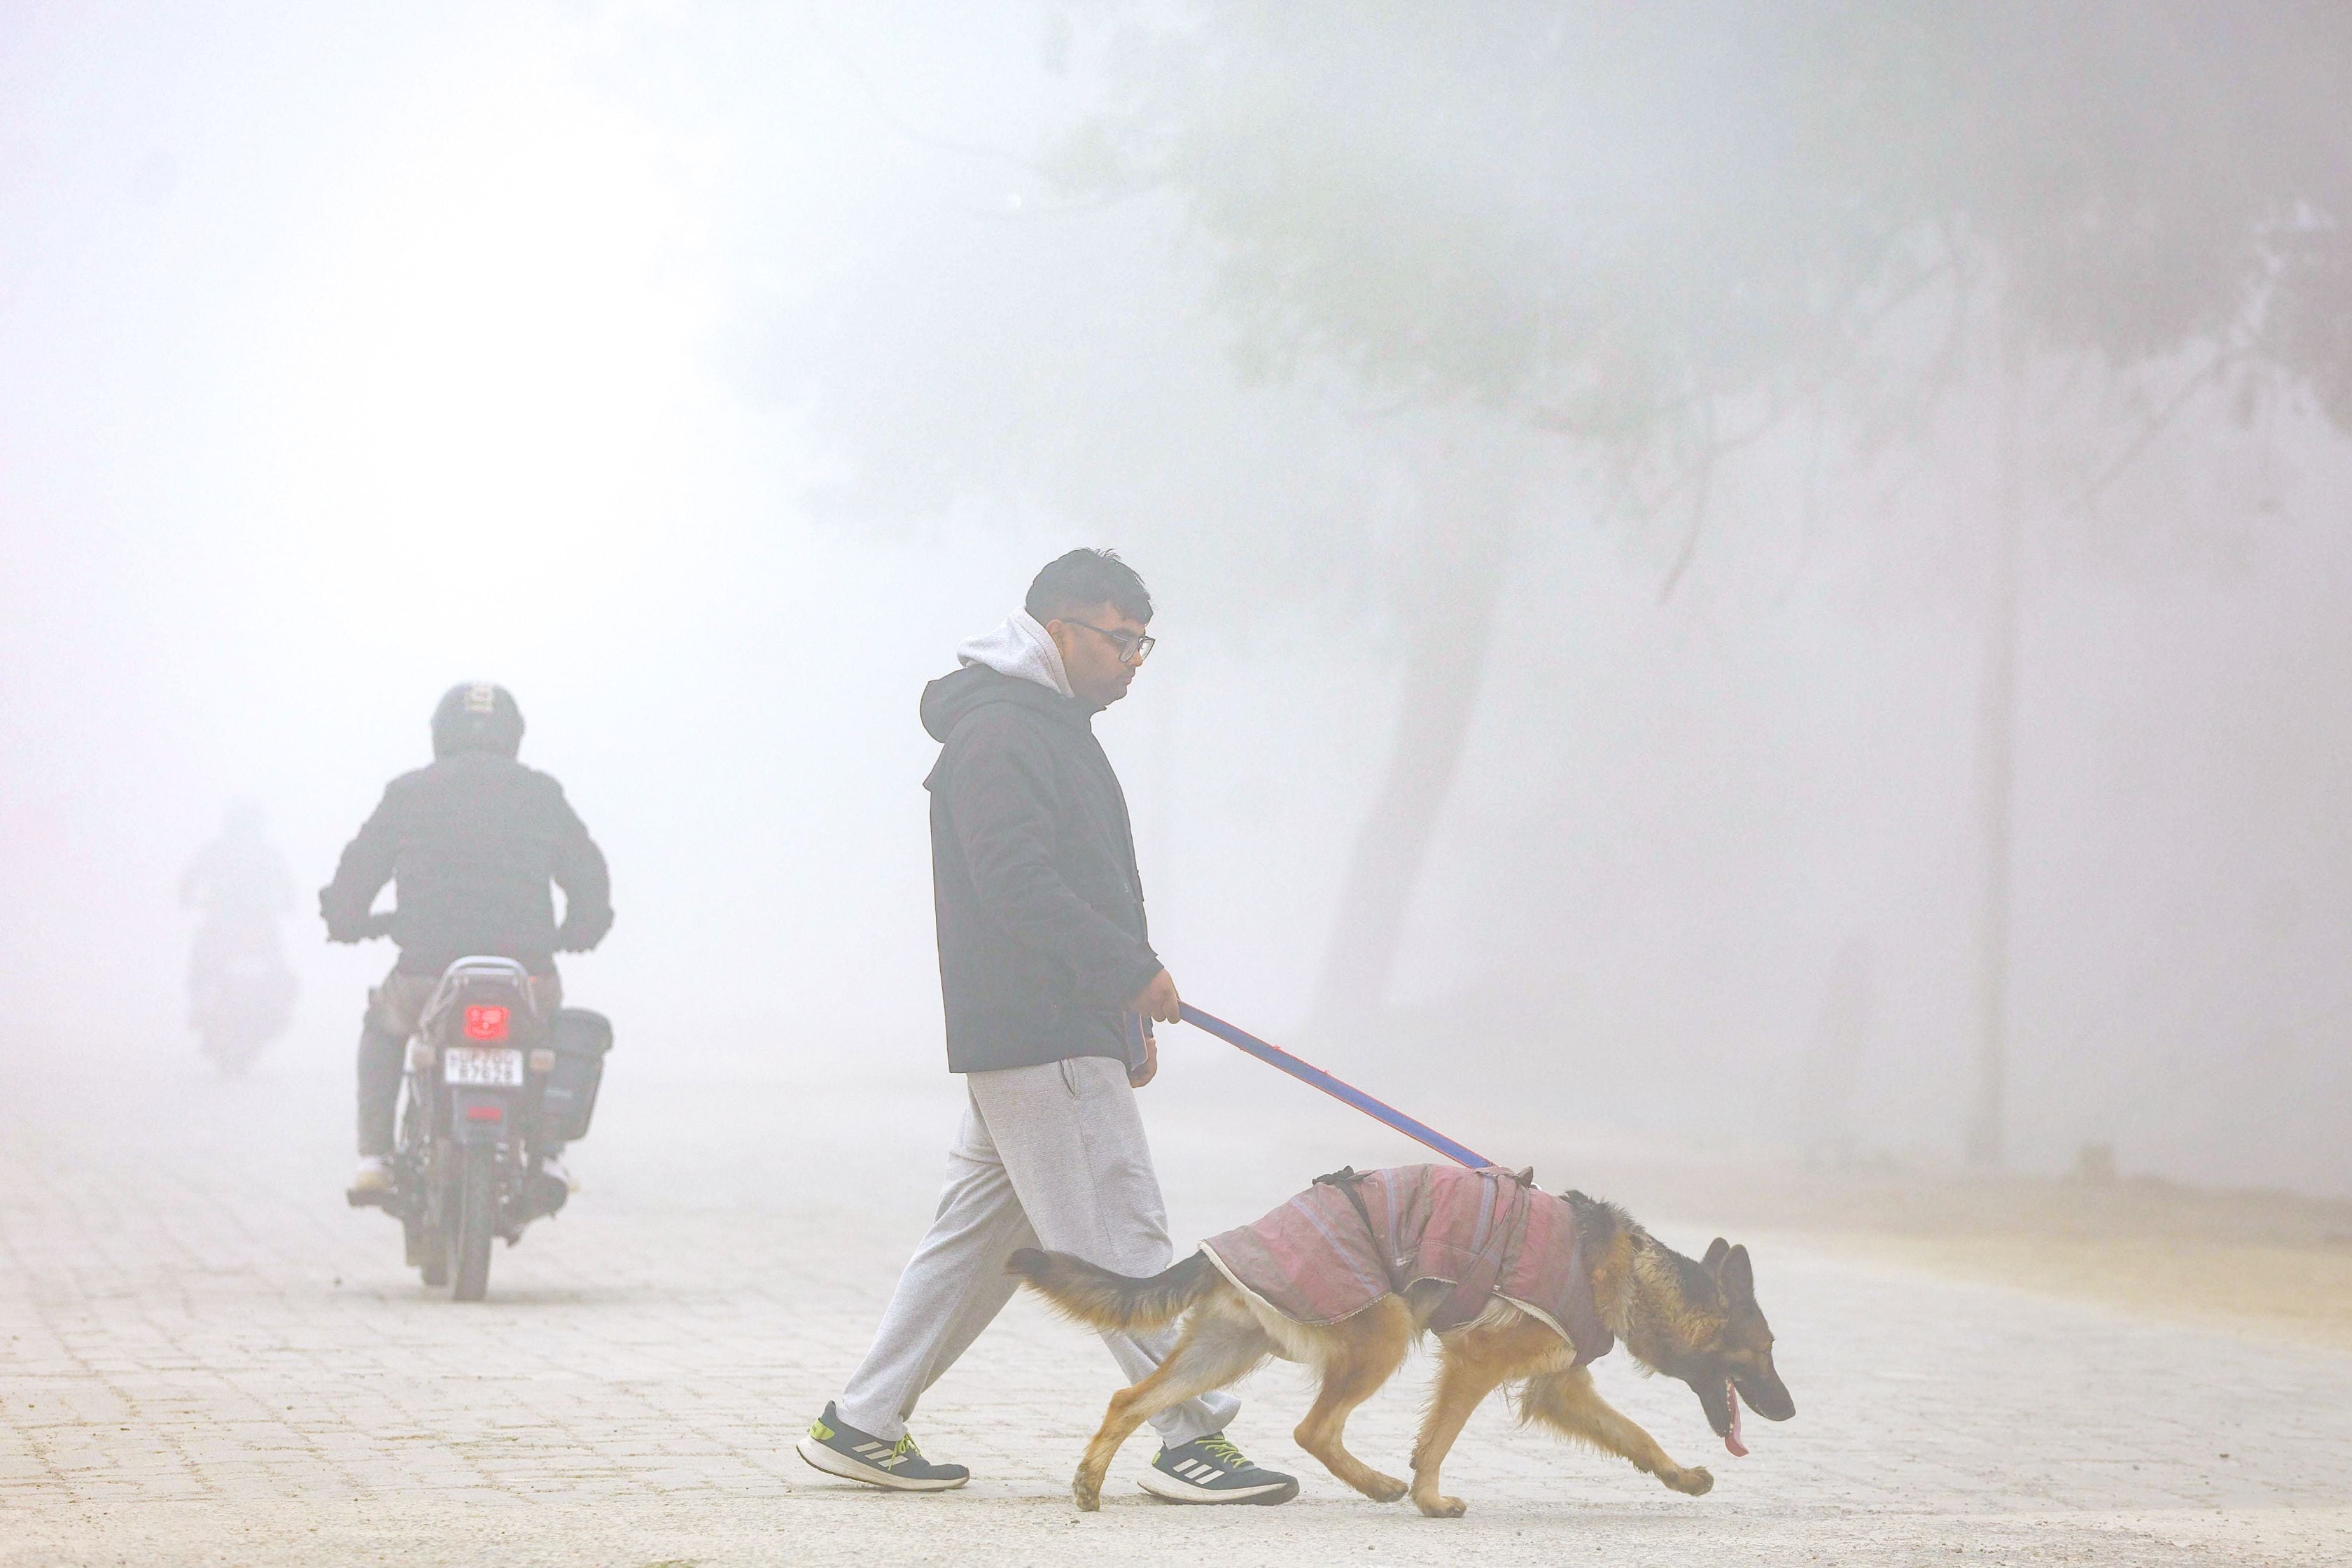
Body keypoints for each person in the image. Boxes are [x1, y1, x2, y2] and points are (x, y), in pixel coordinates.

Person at [797, 550, 1297, 1504]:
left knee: (976, 1246)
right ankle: (1190, 1435)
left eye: (1144, 642)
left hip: (1047, 1029)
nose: (1134, 659)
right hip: (1040, 1029)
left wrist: (1123, 1004)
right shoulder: (1003, 735)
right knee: (1121, 1237)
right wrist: (1126, 974)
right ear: (1058, 630)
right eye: (1120, 638)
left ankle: (861, 1422)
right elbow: (1018, 885)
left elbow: (1074, 881)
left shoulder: (1046, 725)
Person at [320, 683, 612, 1194]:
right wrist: (583, 930)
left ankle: (375, 1157)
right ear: (513, 736)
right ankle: (546, 1154)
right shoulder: (542, 794)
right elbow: (588, 873)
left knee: (384, 1027)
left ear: (440, 735)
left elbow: (359, 870)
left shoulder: (408, 793)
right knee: (546, 1032)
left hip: (426, 976)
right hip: (527, 973)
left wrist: (346, 920)